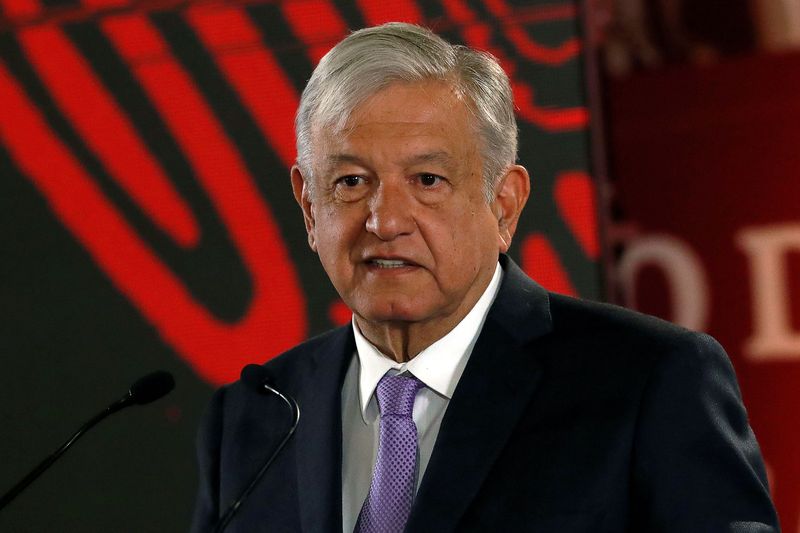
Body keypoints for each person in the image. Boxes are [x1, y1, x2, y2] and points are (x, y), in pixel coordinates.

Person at [191, 22, 778, 533]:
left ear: (504, 204)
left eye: (427, 180)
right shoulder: (253, 417)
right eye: (350, 182)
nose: (386, 221)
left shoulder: (650, 381)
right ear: (307, 206)